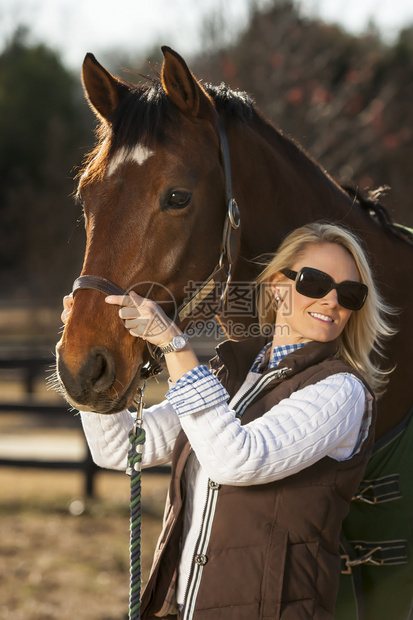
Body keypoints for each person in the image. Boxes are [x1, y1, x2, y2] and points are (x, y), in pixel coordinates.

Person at [62, 222, 394, 620]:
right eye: (315, 282)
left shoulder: (342, 391)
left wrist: (175, 345)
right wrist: (82, 343)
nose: (332, 300)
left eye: (350, 294)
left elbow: (237, 459)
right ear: (276, 286)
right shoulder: (230, 374)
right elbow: (120, 448)